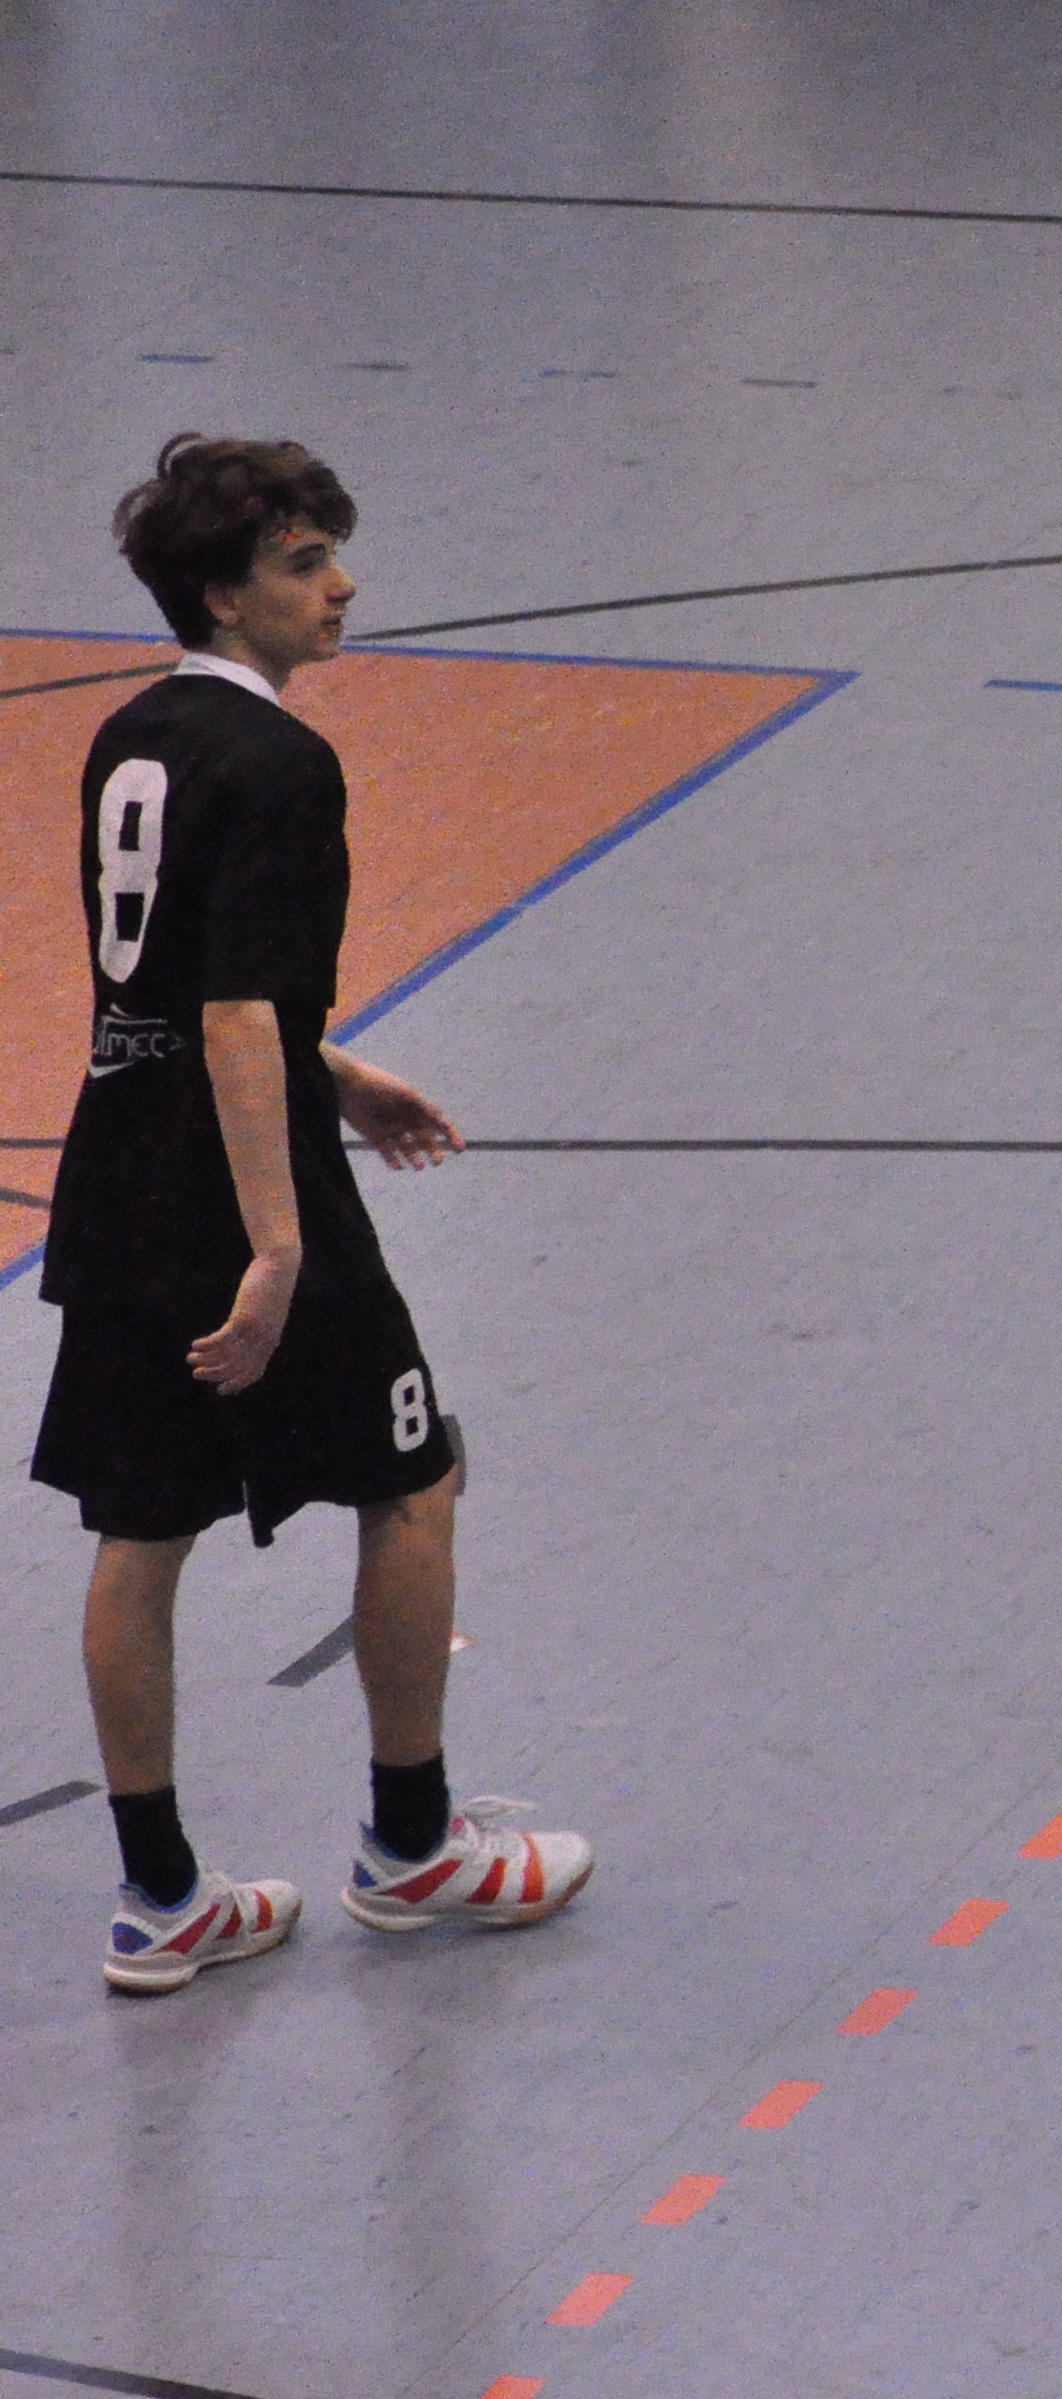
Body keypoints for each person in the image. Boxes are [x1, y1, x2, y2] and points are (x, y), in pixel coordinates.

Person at [36, 437, 592, 1994]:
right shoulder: (284, 764)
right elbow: (228, 1011)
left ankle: (160, 1899)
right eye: (302, 563)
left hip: (120, 1178)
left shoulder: (133, 737)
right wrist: (279, 1247)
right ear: (226, 594)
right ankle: (412, 1849)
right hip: (240, 1185)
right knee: (414, 1473)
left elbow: (156, 989)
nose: (340, 585)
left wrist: (330, 1070)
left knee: (140, 1533)